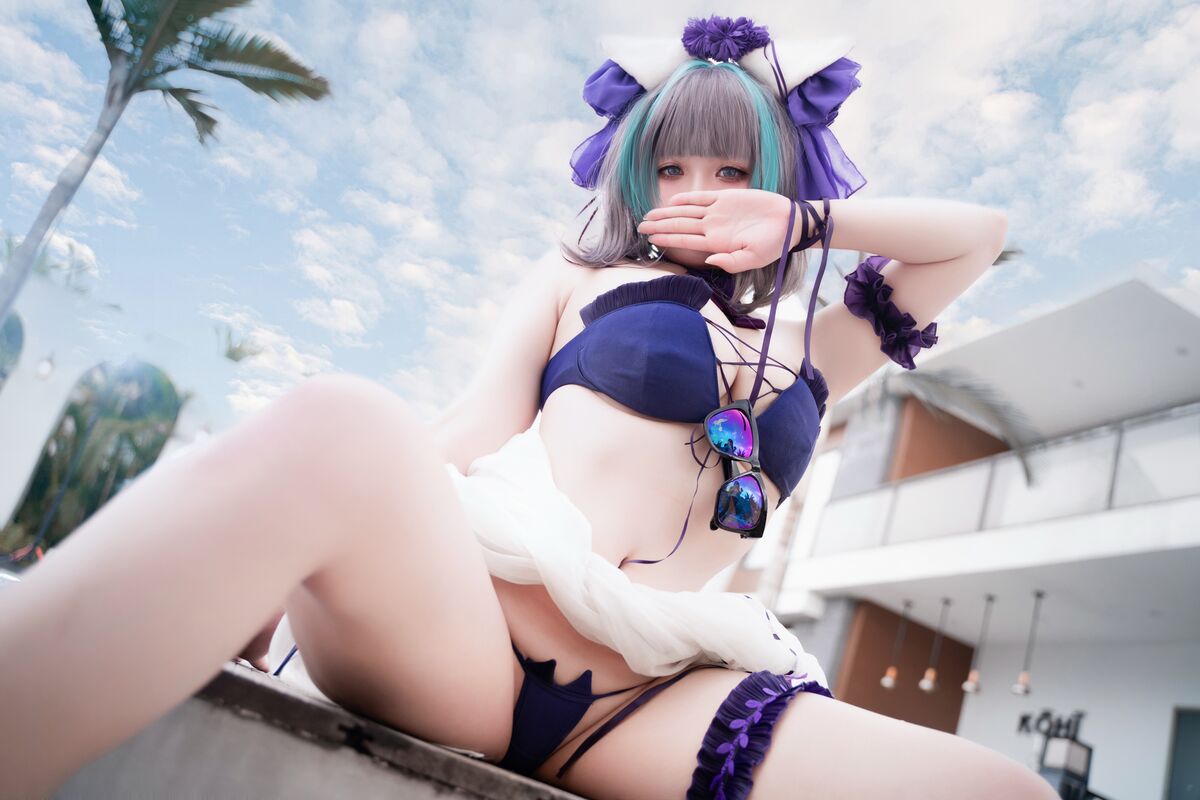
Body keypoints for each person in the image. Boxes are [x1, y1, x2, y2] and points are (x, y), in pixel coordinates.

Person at [0, 14, 1057, 800]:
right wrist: (288, 550)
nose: (698, 190)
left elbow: (976, 236)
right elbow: (469, 428)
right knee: (341, 422)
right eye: (671, 166)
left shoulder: (821, 345)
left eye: (732, 168)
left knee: (1001, 790)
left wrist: (807, 224)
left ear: (776, 178)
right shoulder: (578, 277)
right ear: (636, 175)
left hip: (654, 698)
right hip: (468, 629)